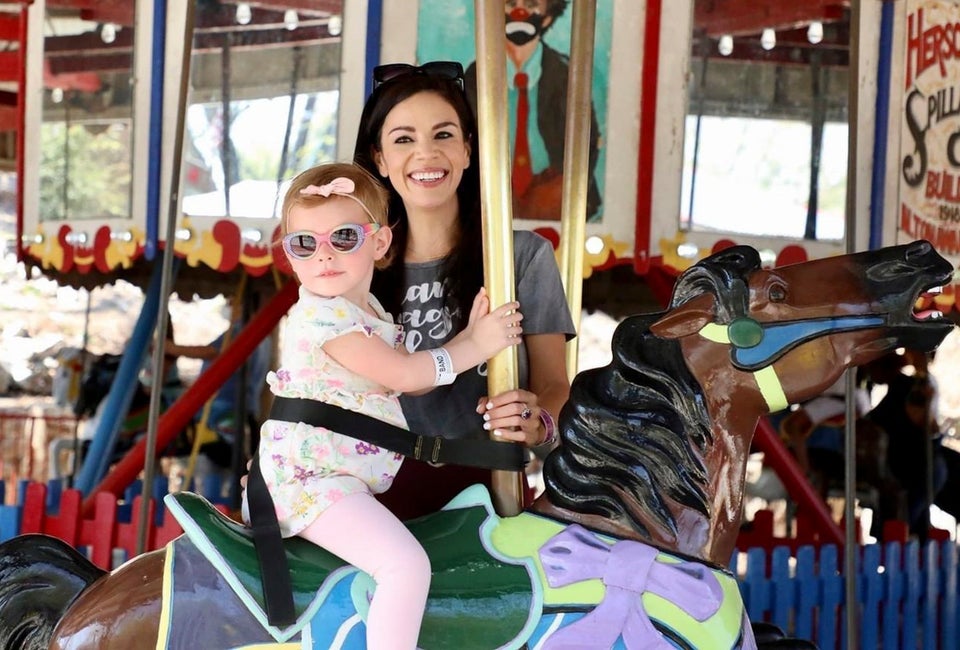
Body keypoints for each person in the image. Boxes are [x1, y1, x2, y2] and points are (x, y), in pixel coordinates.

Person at [258, 161, 524, 648]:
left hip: (339, 481)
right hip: (313, 486)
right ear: (289, 255)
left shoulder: (368, 313)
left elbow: (408, 383)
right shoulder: (322, 319)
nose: (323, 255)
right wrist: (476, 347)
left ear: (378, 243)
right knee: (404, 564)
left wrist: (466, 338)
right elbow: (404, 374)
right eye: (303, 243)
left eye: (343, 237)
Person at [353, 60, 577, 519]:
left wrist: (538, 421)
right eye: (403, 140)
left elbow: (555, 383)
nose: (425, 154)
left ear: (468, 150)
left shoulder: (520, 258)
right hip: (369, 485)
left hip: (486, 482)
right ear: (380, 158)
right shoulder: (358, 263)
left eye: (443, 135)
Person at [463, 0, 603, 221]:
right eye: (510, 4)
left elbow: (588, 143)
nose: (520, 12)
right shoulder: (472, 79)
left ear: (547, 17)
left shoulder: (568, 76)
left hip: (556, 199)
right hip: (488, 202)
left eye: (531, 5)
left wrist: (559, 188)